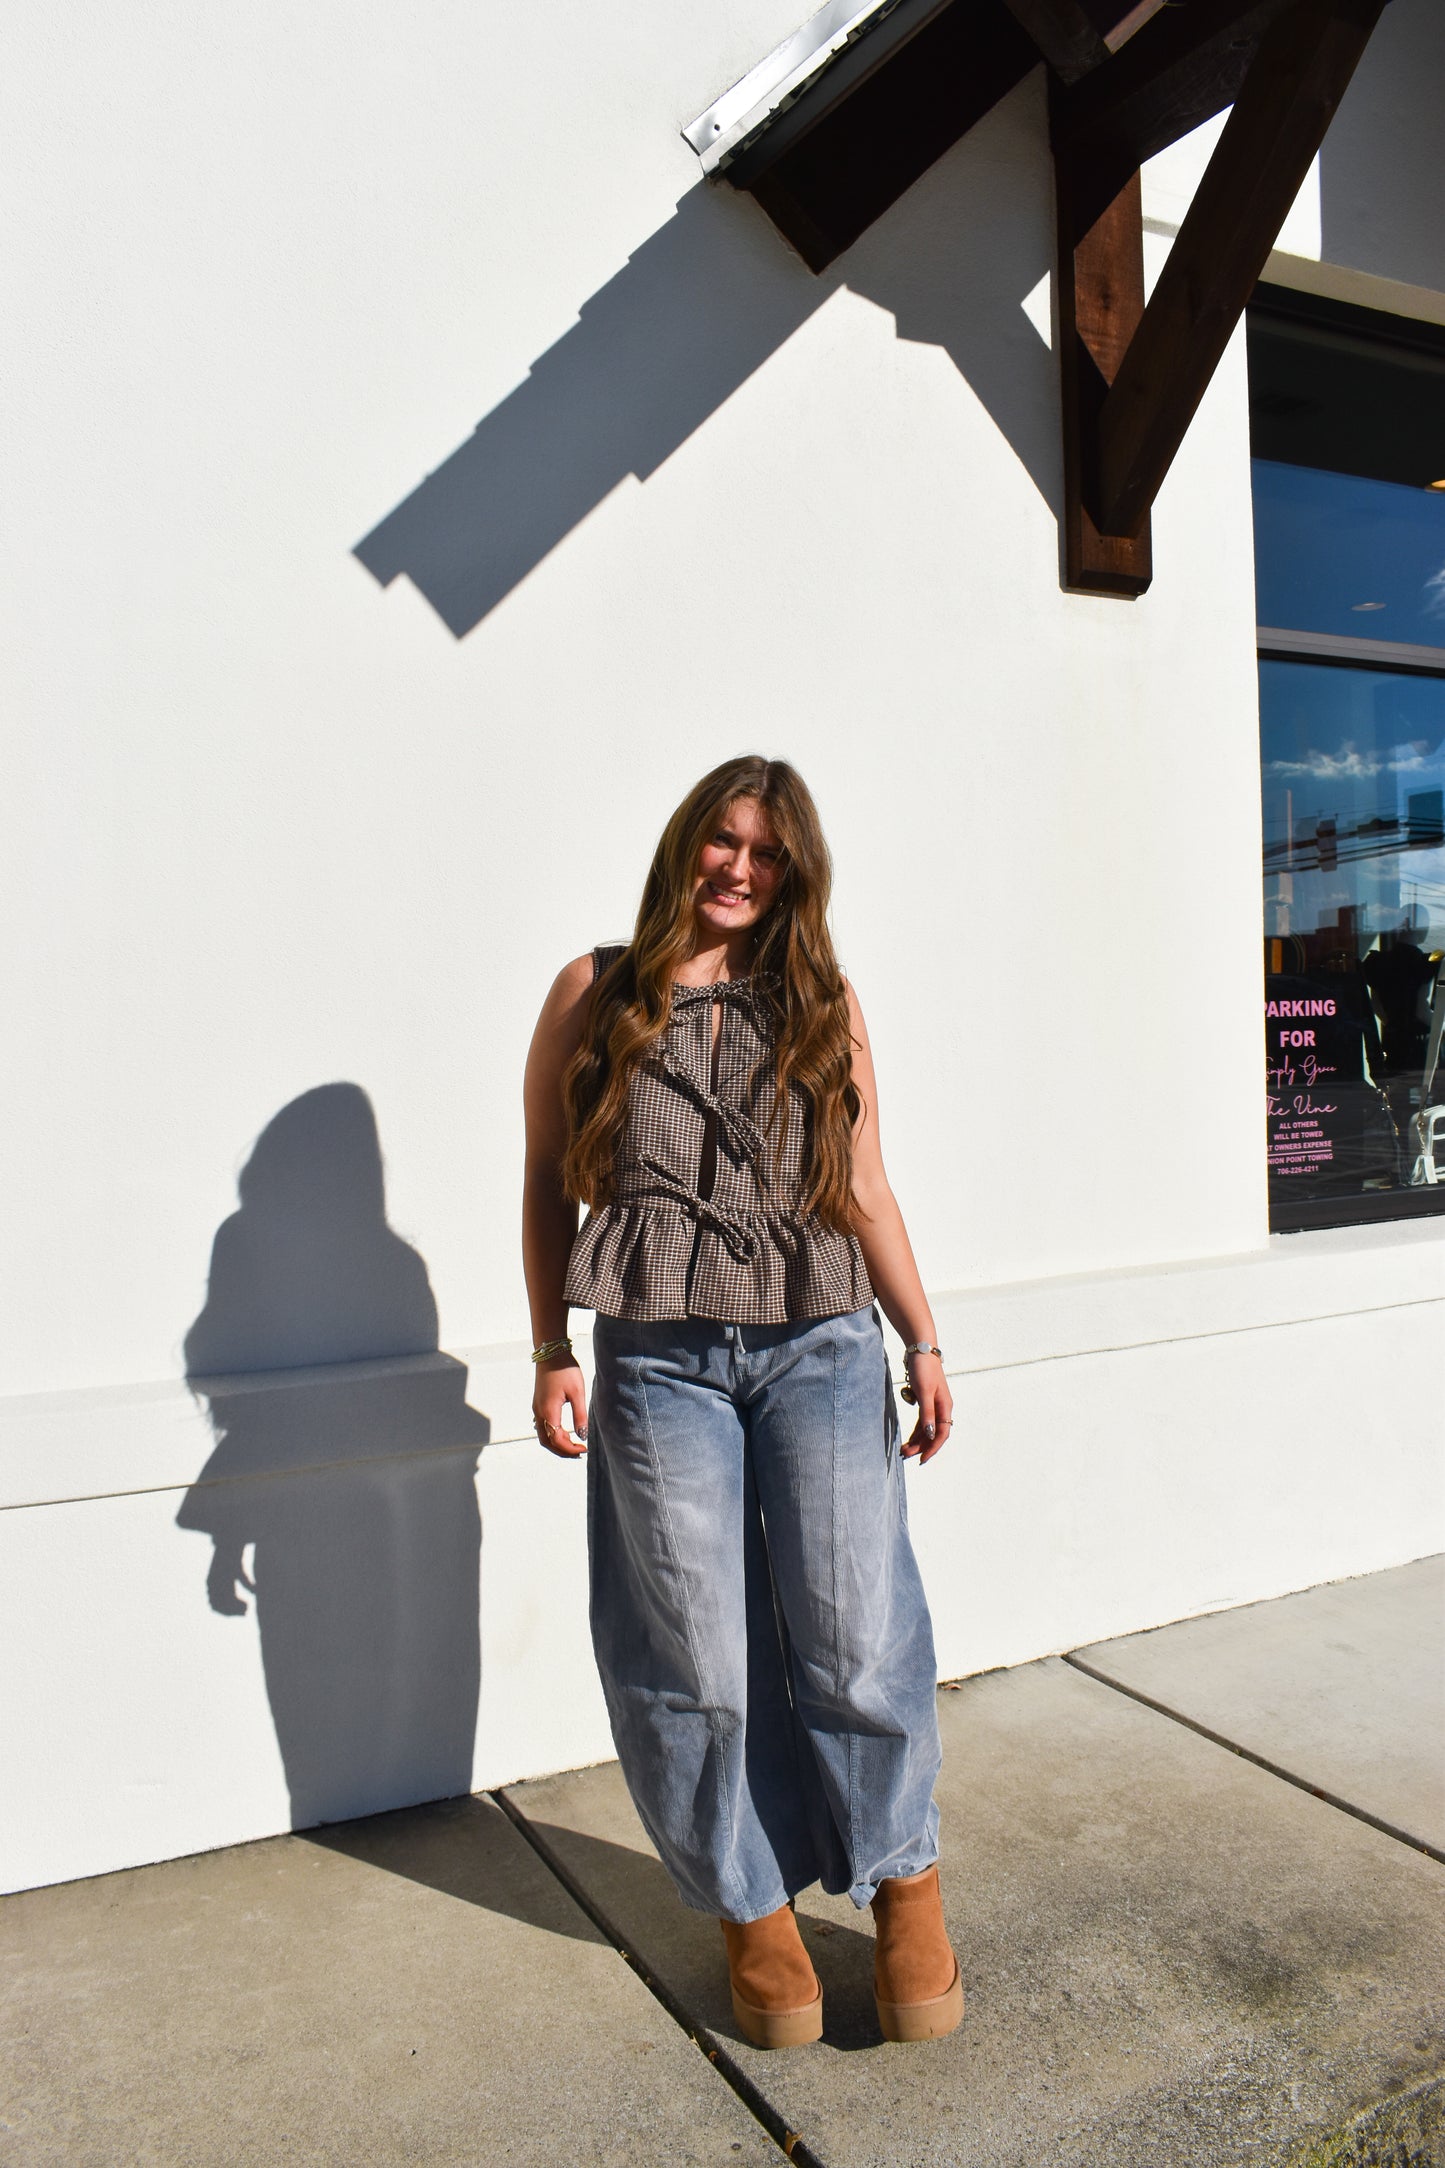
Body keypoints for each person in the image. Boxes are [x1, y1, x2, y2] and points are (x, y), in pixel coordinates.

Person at [522, 754, 961, 2048]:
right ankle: (750, 1912)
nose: (738, 870)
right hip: (656, 1357)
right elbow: (550, 1176)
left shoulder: (824, 998)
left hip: (821, 1342)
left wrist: (922, 1340)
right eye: (722, 841)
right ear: (685, 844)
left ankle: (905, 1887)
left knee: (855, 1630)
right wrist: (549, 1341)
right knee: (694, 1656)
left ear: (794, 872)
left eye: (766, 854)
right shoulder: (595, 986)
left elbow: (866, 1185)